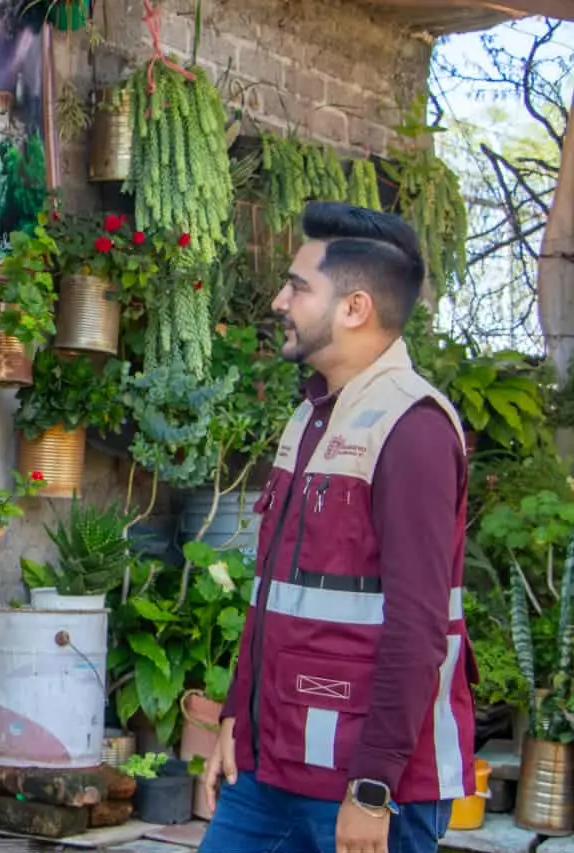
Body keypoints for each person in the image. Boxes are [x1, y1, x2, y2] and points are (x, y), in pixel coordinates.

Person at [199, 201, 476, 853]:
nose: (277, 301)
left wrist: (373, 787)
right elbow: (271, 594)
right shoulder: (312, 417)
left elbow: (418, 627)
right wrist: (234, 722)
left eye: (298, 287)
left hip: (366, 786)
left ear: (354, 307)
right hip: (269, 765)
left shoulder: (413, 430)